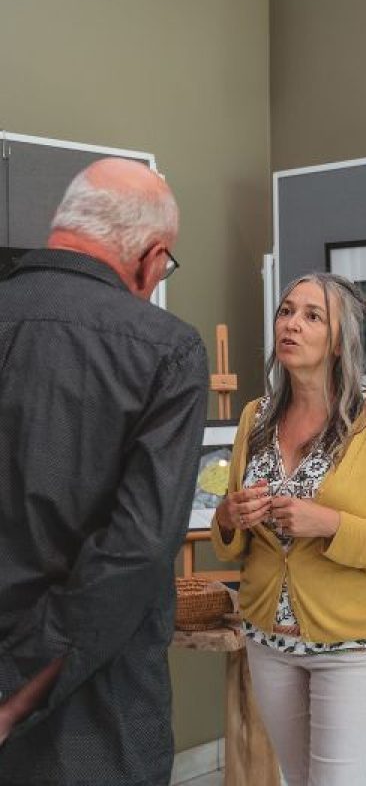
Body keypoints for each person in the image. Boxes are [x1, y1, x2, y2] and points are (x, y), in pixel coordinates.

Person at [0, 158, 208, 786]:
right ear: (152, 257)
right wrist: (12, 694)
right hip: (92, 725)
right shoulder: (167, 350)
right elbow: (138, 549)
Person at [212, 272, 366, 786]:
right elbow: (234, 540)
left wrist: (329, 524)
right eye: (286, 311)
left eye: (312, 316)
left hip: (353, 646)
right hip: (270, 640)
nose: (291, 324)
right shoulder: (255, 417)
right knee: (297, 779)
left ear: (339, 340)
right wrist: (229, 517)